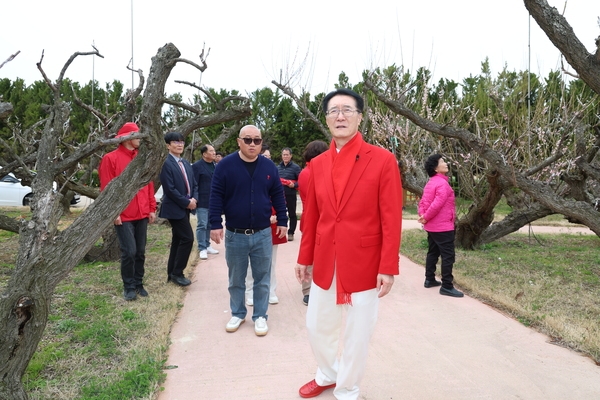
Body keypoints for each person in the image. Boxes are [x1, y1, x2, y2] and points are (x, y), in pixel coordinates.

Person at [295, 88, 402, 399]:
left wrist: (388, 266)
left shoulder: (382, 160)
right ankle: (328, 373)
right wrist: (304, 258)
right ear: (327, 119)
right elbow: (312, 216)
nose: (339, 116)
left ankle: (348, 387)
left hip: (364, 262)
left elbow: (391, 218)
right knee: (317, 325)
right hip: (326, 259)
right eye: (333, 111)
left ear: (359, 117)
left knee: (357, 333)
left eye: (347, 110)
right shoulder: (318, 164)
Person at [209, 125, 288, 337]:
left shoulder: (269, 167)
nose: (253, 144)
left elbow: (278, 195)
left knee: (263, 277)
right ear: (238, 141)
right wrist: (214, 223)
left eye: (257, 140)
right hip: (236, 234)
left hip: (263, 233)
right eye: (248, 140)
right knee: (236, 278)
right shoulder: (225, 166)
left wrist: (283, 219)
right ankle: (237, 312)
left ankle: (260, 315)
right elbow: (215, 196)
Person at [99, 122, 157, 301]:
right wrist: (113, 213)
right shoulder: (110, 158)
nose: (140, 139)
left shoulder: (141, 158)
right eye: (137, 135)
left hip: (142, 213)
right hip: (123, 215)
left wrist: (152, 207)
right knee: (129, 251)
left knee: (140, 251)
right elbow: (107, 188)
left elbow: (148, 184)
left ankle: (139, 284)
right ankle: (129, 286)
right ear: (128, 138)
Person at [417, 154, 464, 298]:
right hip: (443, 227)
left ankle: (429, 279)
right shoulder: (442, 184)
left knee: (433, 252)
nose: (446, 163)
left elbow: (423, 202)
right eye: (442, 161)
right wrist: (425, 217)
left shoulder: (431, 182)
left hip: (432, 227)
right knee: (448, 255)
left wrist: (423, 216)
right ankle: (447, 286)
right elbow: (437, 204)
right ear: (436, 168)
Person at [159, 132, 198, 287]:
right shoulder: (165, 163)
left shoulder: (186, 163)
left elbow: (194, 184)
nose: (180, 144)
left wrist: (194, 199)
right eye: (175, 142)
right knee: (188, 238)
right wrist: (186, 202)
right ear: (168, 145)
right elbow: (170, 189)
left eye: (182, 141)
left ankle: (171, 273)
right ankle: (177, 273)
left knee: (178, 240)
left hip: (186, 207)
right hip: (175, 208)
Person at [297, 140, 329, 306]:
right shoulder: (311, 172)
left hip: (314, 219)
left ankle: (315, 287)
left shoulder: (307, 171)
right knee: (309, 257)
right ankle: (308, 290)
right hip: (313, 220)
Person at [245, 208, 287, 305]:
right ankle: (250, 291)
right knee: (251, 263)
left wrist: (278, 216)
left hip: (272, 225)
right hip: (251, 224)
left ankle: (271, 290)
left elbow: (280, 199)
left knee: (270, 262)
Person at [192, 144, 219, 260]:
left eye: (214, 151)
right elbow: (194, 184)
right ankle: (202, 247)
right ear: (204, 154)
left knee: (209, 224)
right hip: (202, 200)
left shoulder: (215, 165)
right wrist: (195, 198)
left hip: (213, 201)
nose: (214, 153)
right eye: (211, 151)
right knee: (202, 224)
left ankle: (207, 245)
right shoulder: (197, 166)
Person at [277, 147, 301, 241]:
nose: (285, 156)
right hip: (279, 195)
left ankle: (291, 232)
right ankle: (280, 232)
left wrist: (294, 185)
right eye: (284, 154)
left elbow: (301, 181)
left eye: (287, 155)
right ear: (281, 156)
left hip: (290, 194)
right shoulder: (277, 168)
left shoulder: (296, 168)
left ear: (291, 156)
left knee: (292, 214)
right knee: (279, 213)